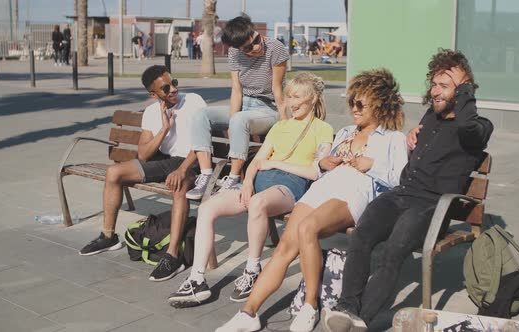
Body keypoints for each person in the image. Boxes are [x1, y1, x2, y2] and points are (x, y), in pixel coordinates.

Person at [216, 68, 409, 332]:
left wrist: (369, 164)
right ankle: (248, 313)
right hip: (326, 185)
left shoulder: (393, 139)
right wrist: (325, 162)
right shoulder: (345, 132)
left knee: (308, 228)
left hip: (355, 190)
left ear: (380, 103)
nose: (354, 107)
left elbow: (400, 180)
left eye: (361, 102)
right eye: (352, 101)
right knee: (285, 246)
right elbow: (319, 167)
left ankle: (310, 307)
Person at [323, 49, 494, 332]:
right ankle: (347, 307)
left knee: (393, 251)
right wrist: (413, 136)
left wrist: (464, 90)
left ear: (464, 90)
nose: (436, 91)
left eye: (446, 86)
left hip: (432, 206)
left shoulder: (479, 127)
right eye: (435, 84)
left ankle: (359, 319)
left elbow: (465, 125)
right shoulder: (431, 118)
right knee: (363, 235)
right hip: (402, 195)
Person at [168, 72, 334, 308]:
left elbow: (316, 172)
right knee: (207, 208)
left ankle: (252, 268)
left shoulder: (323, 129)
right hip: (259, 183)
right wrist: (246, 183)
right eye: (288, 97)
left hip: (290, 186)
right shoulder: (280, 126)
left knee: (257, 204)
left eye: (297, 97)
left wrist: (275, 164)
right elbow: (257, 161)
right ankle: (197, 280)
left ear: (312, 99)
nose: (290, 102)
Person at [79, 65, 208, 283]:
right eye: (166, 88)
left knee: (178, 186)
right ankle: (108, 237)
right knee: (113, 173)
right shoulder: (151, 112)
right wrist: (164, 129)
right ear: (153, 94)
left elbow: (202, 144)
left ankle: (172, 256)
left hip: (191, 161)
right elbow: (144, 154)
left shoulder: (195, 101)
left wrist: (182, 169)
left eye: (174, 82)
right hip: (163, 161)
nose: (173, 90)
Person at [185, 15, 290, 200]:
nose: (256, 47)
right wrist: (234, 117)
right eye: (248, 48)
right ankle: (206, 174)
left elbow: (277, 90)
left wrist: (286, 123)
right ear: (238, 48)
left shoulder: (275, 48)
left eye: (257, 40)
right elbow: (236, 90)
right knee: (201, 115)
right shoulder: (235, 53)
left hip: (267, 109)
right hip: (244, 105)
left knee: (240, 119)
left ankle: (233, 178)